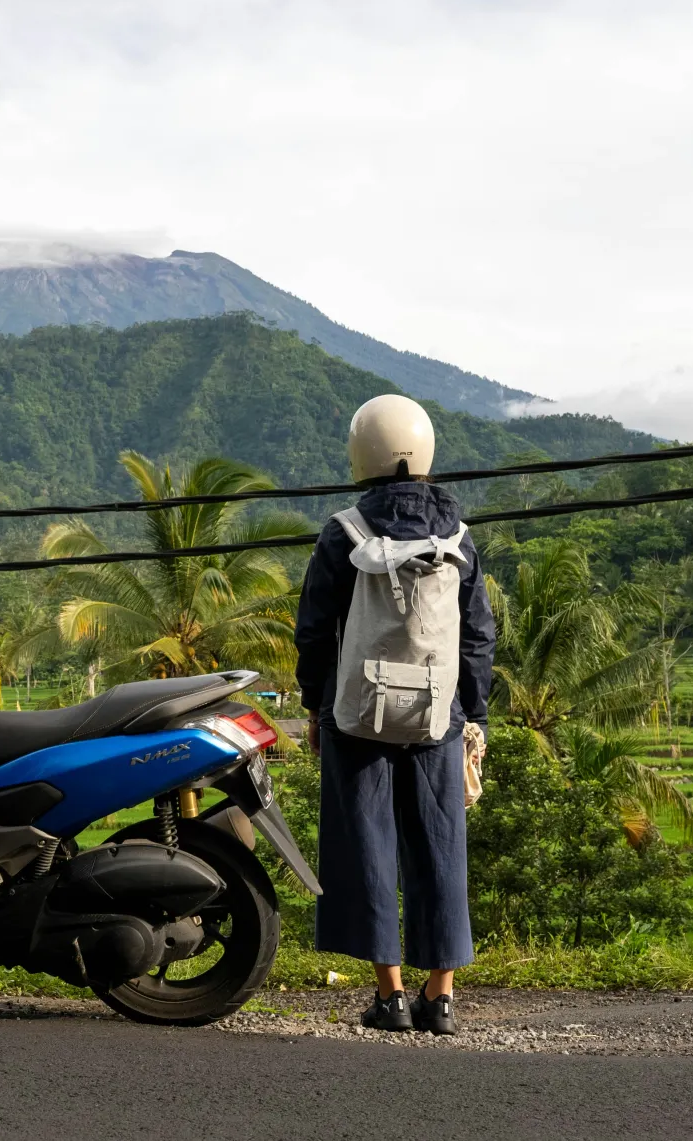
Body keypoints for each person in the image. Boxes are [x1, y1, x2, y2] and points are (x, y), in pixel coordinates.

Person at [294, 394, 495, 1034]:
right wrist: (473, 714)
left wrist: (317, 708)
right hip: (440, 713)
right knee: (441, 846)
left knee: (365, 845)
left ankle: (389, 998)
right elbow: (477, 637)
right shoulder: (458, 539)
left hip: (356, 713)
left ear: (361, 455)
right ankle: (442, 1000)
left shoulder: (343, 531)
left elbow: (314, 632)